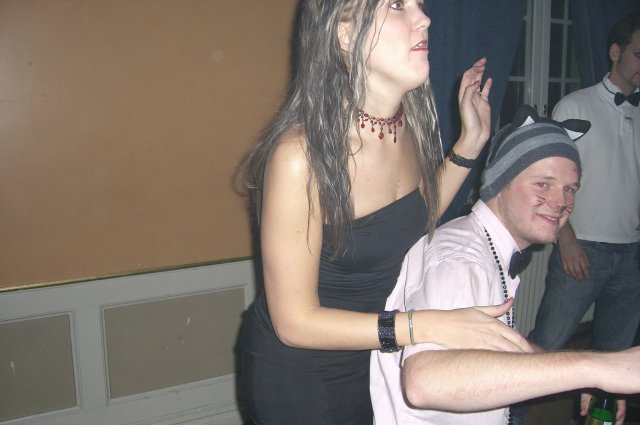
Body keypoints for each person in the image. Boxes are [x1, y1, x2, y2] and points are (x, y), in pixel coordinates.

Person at [236, 1, 532, 424]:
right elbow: (294, 323)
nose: (424, 19)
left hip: (376, 355)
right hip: (299, 374)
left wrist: (471, 141)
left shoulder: (406, 125)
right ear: (344, 34)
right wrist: (428, 325)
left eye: (419, 5)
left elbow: (414, 217)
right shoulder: (300, 157)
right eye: (396, 5)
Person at [371, 104, 640, 425]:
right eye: (543, 184)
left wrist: (583, 379)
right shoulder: (461, 259)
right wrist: (594, 368)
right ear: (500, 182)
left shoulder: (491, 248)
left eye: (569, 189)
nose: (562, 202)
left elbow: (503, 347)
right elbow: (423, 382)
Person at [524, 12, 640, 422]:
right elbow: (549, 181)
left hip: (632, 256)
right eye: (639, 55)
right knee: (545, 348)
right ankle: (509, 416)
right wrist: (567, 239)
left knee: (613, 360)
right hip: (583, 250)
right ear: (615, 52)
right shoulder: (575, 105)